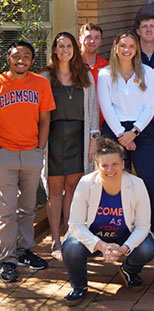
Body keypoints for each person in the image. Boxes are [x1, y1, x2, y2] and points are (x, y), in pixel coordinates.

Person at [61, 140, 154, 306]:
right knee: (71, 247)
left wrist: (124, 248)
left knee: (148, 247)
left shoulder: (137, 184)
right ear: (97, 166)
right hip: (93, 237)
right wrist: (102, 246)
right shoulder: (85, 183)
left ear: (123, 164)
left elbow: (142, 227)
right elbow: (75, 225)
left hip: (123, 237)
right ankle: (79, 286)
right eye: (104, 165)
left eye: (115, 164)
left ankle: (129, 271)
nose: (110, 170)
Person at [97, 32, 154, 259]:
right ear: (115, 48)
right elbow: (106, 106)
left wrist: (133, 133)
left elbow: (150, 105)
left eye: (131, 46)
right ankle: (115, 234)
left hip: (142, 131)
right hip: (114, 131)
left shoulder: (148, 72)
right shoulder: (105, 74)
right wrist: (121, 136)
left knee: (150, 184)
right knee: (112, 185)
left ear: (137, 49)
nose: (127, 50)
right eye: (122, 45)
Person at [40, 33, 100, 261]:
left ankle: (71, 236)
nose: (65, 50)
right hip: (54, 139)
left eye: (69, 46)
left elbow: (93, 111)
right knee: (55, 190)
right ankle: (55, 239)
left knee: (73, 189)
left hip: (79, 137)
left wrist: (93, 140)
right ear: (54, 50)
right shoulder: (45, 77)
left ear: (75, 49)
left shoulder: (84, 76)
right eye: (60, 46)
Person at [0, 40, 55, 283]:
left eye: (26, 56)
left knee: (28, 207)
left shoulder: (40, 83)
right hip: (5, 154)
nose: (21, 59)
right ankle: (7, 258)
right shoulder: (1, 83)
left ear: (32, 61)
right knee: (6, 210)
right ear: (7, 58)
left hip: (32, 152)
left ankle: (25, 251)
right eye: (16, 55)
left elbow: (45, 120)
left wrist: (39, 150)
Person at [79, 23, 109, 87]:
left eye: (96, 38)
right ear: (80, 39)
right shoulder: (72, 63)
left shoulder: (105, 67)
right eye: (88, 37)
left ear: (101, 41)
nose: (92, 41)